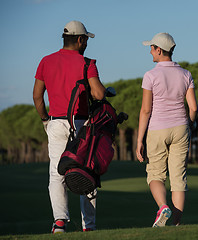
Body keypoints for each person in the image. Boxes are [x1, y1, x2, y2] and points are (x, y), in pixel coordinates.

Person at [33, 20, 106, 233]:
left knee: (57, 175)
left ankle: (60, 223)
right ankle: (89, 226)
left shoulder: (46, 61)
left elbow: (37, 96)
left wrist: (45, 119)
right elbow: (99, 94)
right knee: (88, 172)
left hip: (55, 122)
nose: (86, 45)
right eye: (86, 41)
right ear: (80, 40)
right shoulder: (87, 63)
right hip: (82, 123)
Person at [136, 32, 198, 227]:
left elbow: (146, 110)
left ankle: (163, 207)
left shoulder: (150, 75)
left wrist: (139, 140)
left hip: (157, 129)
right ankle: (177, 225)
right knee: (178, 177)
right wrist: (189, 124)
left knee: (155, 175)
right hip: (181, 128)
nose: (150, 51)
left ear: (159, 50)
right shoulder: (186, 74)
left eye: (152, 48)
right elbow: (194, 108)